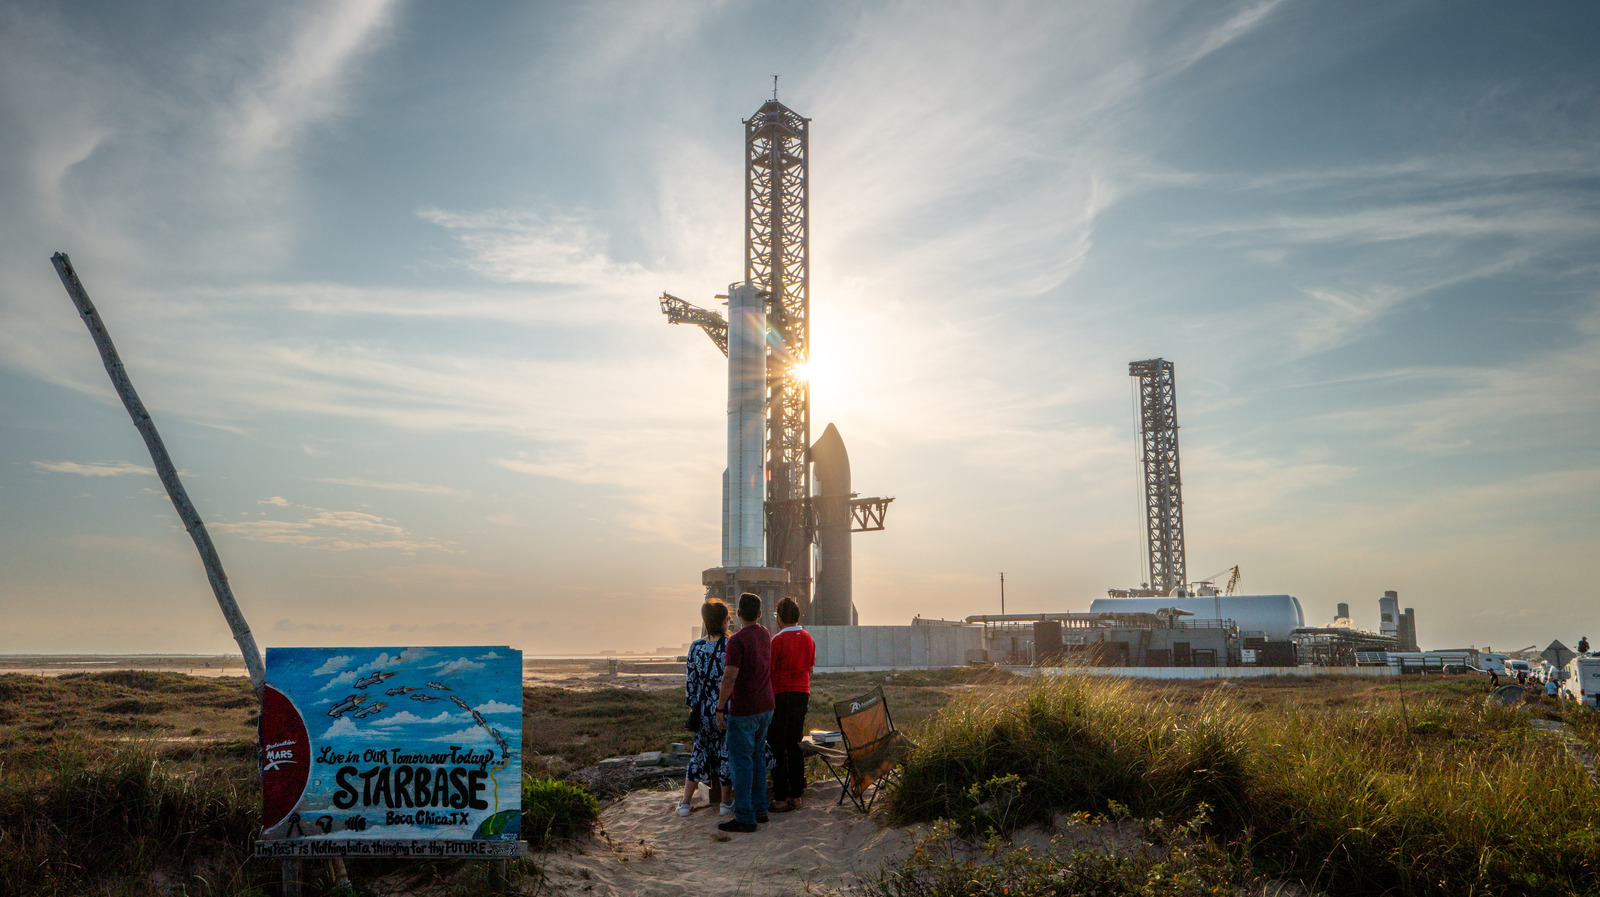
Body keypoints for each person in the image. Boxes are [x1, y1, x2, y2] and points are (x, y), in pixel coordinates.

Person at [715, 592, 774, 833]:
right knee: (758, 757)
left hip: (745, 708)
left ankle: (744, 816)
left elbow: (730, 675)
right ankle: (761, 810)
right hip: (766, 705)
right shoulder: (765, 634)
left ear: (738, 614)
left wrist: (720, 707)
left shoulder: (736, 641)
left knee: (741, 761)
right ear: (759, 613)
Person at [680, 601, 733, 817]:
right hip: (723, 709)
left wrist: (692, 707)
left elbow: (690, 682)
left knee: (699, 752)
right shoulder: (730, 646)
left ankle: (684, 803)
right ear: (723, 621)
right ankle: (725, 803)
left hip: (701, 710)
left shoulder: (695, 647)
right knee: (724, 753)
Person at [767, 596, 816, 813]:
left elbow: (769, 671)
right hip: (801, 693)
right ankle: (796, 795)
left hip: (780, 694)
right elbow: (810, 669)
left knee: (777, 745)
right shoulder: (808, 638)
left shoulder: (776, 641)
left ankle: (780, 797)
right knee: (795, 743)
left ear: (779, 619)